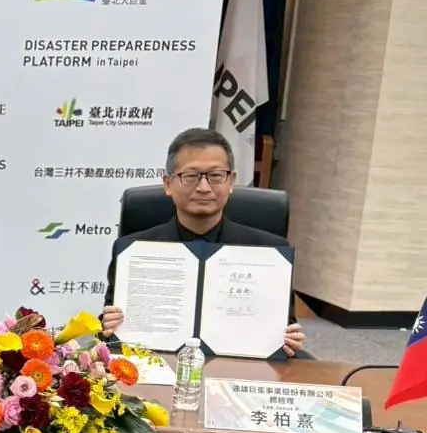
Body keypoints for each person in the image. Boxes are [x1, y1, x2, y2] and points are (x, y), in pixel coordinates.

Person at [101, 126, 306, 357]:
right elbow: (109, 329)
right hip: (156, 365)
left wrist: (290, 339)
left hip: (240, 367)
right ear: (168, 183)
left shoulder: (270, 252)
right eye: (190, 176)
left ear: (231, 181)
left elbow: (285, 328)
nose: (204, 188)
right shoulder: (134, 250)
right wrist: (108, 326)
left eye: (216, 176)